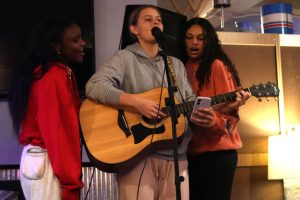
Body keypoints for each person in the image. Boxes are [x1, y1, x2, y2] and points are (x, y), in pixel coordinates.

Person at [85, 5, 198, 200]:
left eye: (159, 20)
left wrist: (201, 113)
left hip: (177, 157)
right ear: (134, 29)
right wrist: (137, 103)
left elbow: (189, 102)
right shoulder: (124, 58)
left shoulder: (175, 64)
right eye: (148, 19)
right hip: (138, 158)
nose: (156, 22)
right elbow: (94, 86)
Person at [8, 15, 86, 200]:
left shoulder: (58, 73)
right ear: (56, 46)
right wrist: (70, 181)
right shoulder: (52, 77)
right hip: (48, 164)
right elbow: (56, 132)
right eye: (75, 39)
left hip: (46, 163)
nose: (83, 43)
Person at [183, 17, 251, 200]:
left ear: (208, 41)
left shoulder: (216, 66)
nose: (194, 42)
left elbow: (231, 116)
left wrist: (214, 120)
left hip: (217, 155)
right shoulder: (181, 68)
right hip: (189, 154)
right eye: (189, 37)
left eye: (200, 38)